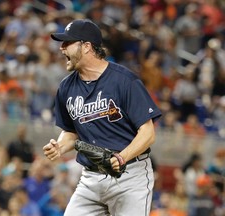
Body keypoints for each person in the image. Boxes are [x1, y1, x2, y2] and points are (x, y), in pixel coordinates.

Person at [43, 19, 162, 216]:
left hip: (130, 177)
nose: (62, 48)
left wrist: (122, 157)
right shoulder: (65, 87)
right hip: (91, 178)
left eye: (67, 43)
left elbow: (148, 133)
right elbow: (71, 132)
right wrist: (60, 146)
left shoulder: (124, 81)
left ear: (87, 46)